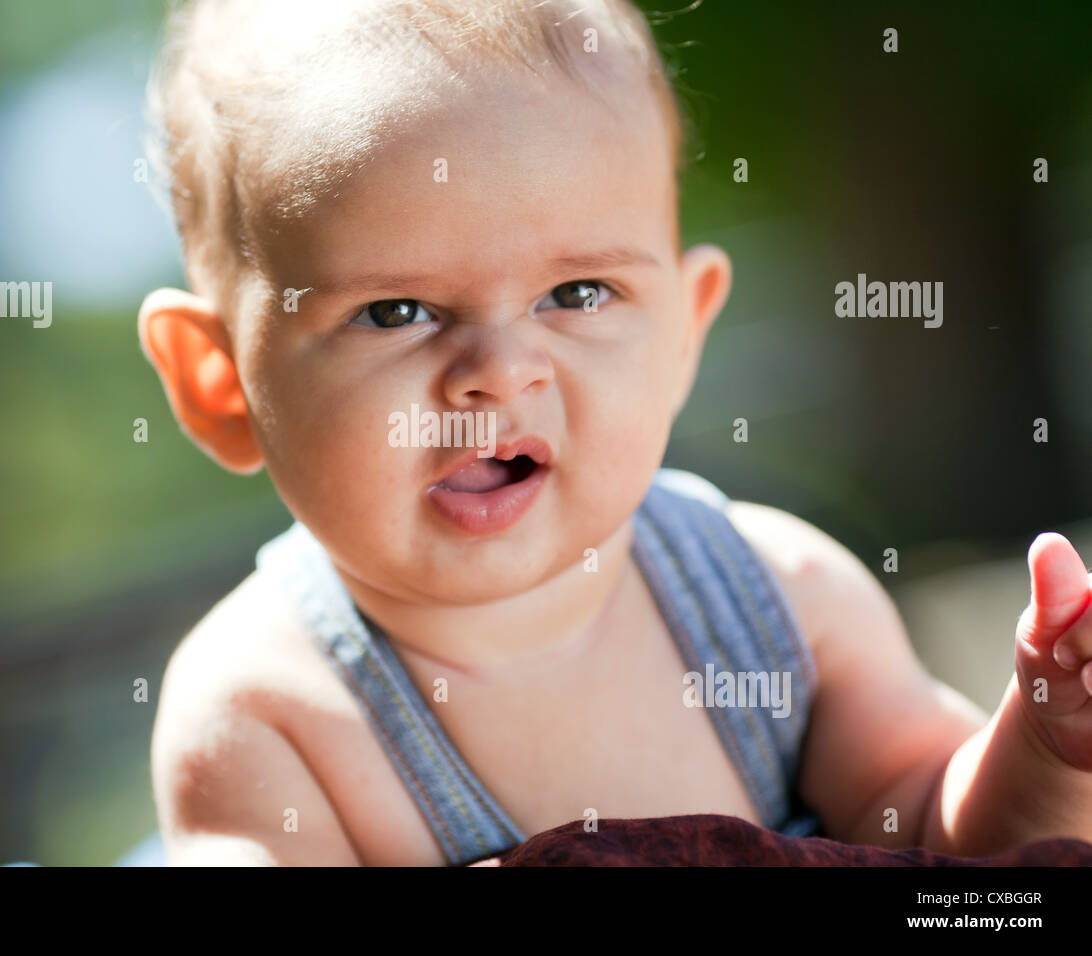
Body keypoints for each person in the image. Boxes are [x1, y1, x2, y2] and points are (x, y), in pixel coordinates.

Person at [137, 0, 1092, 865]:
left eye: (578, 293)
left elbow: (950, 857)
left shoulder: (778, 604)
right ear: (220, 383)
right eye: (395, 311)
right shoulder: (267, 713)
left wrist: (1046, 747)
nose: (503, 371)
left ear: (685, 329)